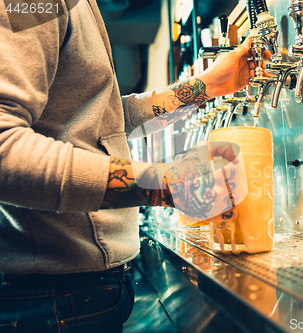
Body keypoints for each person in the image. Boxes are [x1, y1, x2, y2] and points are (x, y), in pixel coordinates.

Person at [0, 0, 257, 332]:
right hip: (51, 298)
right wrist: (167, 185)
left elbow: (94, 118)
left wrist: (204, 87)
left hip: (78, 290)